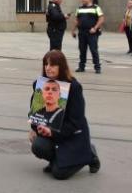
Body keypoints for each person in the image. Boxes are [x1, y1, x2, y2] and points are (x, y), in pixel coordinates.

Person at [28, 50, 100, 179]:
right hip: (51, 133)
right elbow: (33, 112)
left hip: (72, 134)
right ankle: (58, 160)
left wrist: (52, 132)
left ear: (61, 66)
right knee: (38, 146)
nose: (48, 68)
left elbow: (76, 122)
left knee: (59, 174)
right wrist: (34, 128)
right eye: (46, 64)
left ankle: (89, 153)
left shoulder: (74, 87)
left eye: (53, 65)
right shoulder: (39, 85)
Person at [71, 0, 104, 74]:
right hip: (82, 32)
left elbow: (101, 19)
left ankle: (97, 67)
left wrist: (95, 28)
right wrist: (73, 30)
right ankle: (81, 67)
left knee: (94, 50)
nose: (82, 0)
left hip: (92, 32)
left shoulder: (96, 8)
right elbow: (76, 20)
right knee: (82, 50)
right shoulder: (79, 8)